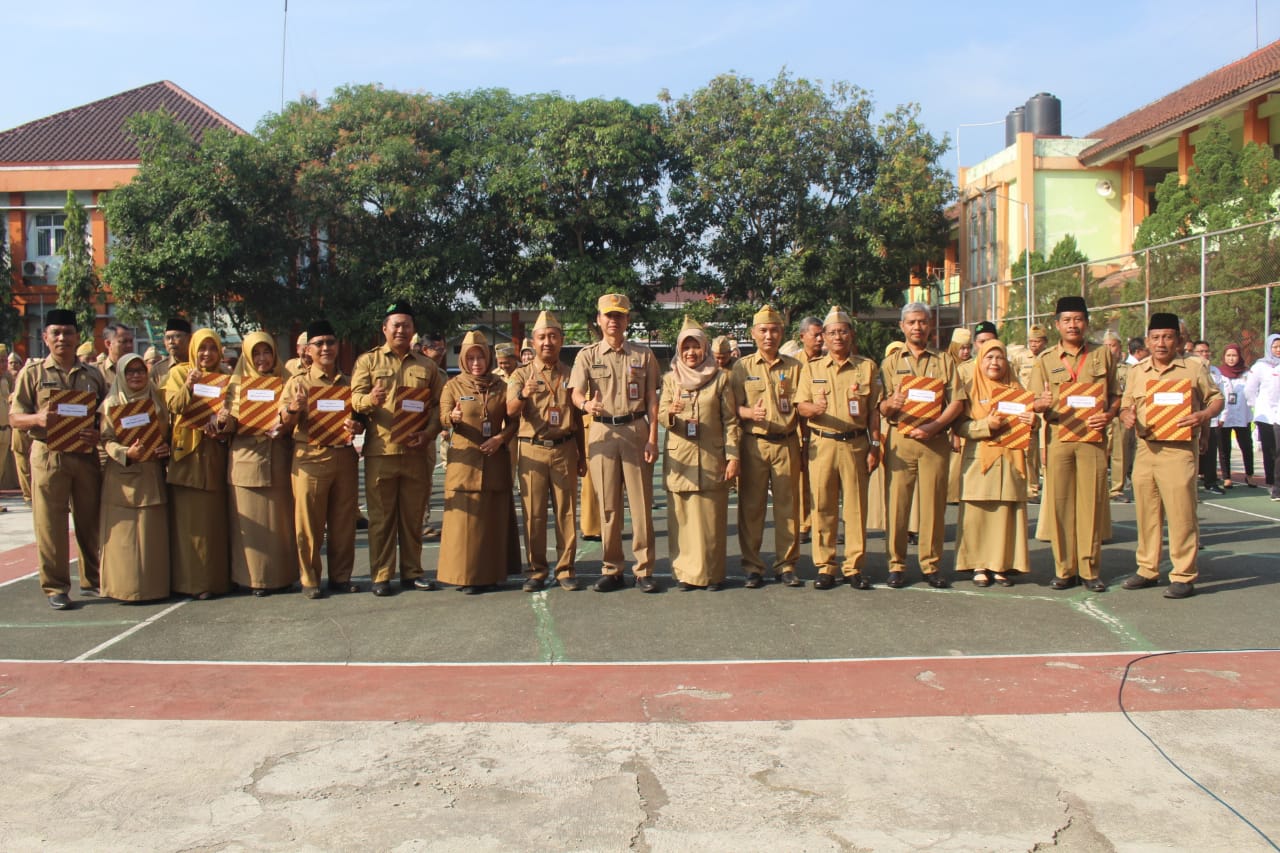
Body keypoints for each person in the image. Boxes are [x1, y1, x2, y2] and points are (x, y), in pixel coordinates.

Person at [1119, 314, 1223, 598]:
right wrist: (1126, 414)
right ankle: (1147, 569)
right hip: (1145, 450)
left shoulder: (1193, 368)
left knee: (1182, 514)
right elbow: (1126, 404)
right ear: (1148, 341)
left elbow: (1216, 398)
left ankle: (1183, 574)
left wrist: (1203, 416)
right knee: (1146, 514)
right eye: (1155, 338)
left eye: (1167, 337)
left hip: (1178, 451)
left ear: (1178, 340)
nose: (1161, 343)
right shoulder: (1137, 371)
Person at [10, 309, 107, 609]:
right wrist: (38, 418)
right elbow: (14, 417)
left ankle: (94, 579)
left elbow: (105, 414)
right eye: (56, 333)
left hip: (84, 455)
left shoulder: (92, 375)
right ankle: (56, 587)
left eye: (68, 332)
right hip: (48, 454)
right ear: (45, 337)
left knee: (90, 521)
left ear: (78, 338)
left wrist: (98, 433)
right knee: (50, 525)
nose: (62, 338)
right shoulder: (34, 373)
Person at [570, 293, 661, 593]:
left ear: (627, 320)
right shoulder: (587, 355)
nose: (613, 321)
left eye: (619, 315)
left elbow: (651, 399)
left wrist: (652, 438)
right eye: (608, 315)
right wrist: (586, 405)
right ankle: (612, 568)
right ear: (599, 319)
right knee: (608, 507)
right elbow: (575, 393)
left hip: (635, 429)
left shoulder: (643, 355)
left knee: (641, 506)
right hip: (602, 433)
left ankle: (644, 569)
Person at [352, 302, 445, 596]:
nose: (401, 330)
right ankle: (381, 575)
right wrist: (371, 400)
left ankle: (412, 572)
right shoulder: (368, 362)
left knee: (412, 517)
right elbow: (353, 399)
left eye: (406, 325)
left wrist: (429, 433)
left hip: (416, 451)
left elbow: (437, 407)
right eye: (395, 325)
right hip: (382, 450)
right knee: (381, 519)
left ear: (413, 330)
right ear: (384, 329)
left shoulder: (427, 366)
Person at [1029, 296, 1120, 592]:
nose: (1073, 325)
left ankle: (1090, 568)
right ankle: (1065, 568)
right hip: (1059, 438)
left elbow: (1116, 395)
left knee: (1091, 503)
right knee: (1060, 504)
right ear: (1057, 325)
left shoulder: (1102, 355)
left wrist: (1108, 415)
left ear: (1087, 322)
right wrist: (1039, 404)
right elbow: (1032, 402)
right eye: (1066, 320)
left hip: (1092, 440)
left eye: (1078, 319)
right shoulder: (1045, 360)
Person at [796, 306, 883, 589]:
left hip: (855, 444)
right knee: (822, 506)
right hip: (822, 444)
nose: (837, 337)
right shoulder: (811, 368)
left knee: (856, 509)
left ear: (851, 334)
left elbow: (874, 411)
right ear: (823, 336)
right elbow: (801, 405)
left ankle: (853, 566)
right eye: (831, 332)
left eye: (842, 331)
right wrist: (814, 408)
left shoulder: (866, 367)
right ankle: (825, 565)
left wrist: (875, 444)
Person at [878, 302, 964, 588]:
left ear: (930, 325)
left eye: (922, 322)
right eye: (911, 322)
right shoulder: (890, 362)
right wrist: (892, 404)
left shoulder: (944, 361)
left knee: (934, 505)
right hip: (900, 441)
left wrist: (936, 426)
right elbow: (881, 407)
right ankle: (897, 564)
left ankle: (931, 565)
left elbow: (957, 402)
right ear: (902, 326)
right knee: (898, 506)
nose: (917, 327)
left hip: (934, 441)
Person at [278, 320, 364, 599]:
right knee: (309, 524)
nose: (326, 348)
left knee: (343, 522)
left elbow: (361, 419)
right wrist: (294, 408)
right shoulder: (298, 382)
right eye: (319, 343)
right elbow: (284, 423)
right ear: (307, 350)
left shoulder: (349, 382)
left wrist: (357, 426)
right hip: (310, 457)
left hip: (344, 457)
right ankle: (310, 579)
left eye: (330, 342)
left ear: (338, 346)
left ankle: (341, 577)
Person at [660, 318, 740, 590]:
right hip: (680, 459)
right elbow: (660, 414)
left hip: (711, 457)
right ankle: (685, 574)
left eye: (696, 347)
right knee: (681, 519)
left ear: (705, 349)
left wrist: (733, 456)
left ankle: (712, 575)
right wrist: (670, 413)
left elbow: (730, 421)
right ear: (679, 351)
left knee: (710, 520)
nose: (691, 353)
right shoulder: (670, 379)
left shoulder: (720, 379)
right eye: (686, 348)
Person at [507, 311, 585, 592]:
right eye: (542, 337)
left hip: (564, 448)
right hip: (532, 450)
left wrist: (583, 457)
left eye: (553, 336)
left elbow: (578, 420)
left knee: (566, 512)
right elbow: (510, 411)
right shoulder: (520, 374)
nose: (547, 342)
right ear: (533, 341)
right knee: (534, 514)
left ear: (561, 340)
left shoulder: (570, 373)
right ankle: (536, 569)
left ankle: (566, 569)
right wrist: (523, 394)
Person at [438, 331, 520, 593]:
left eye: (481, 357)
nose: (476, 363)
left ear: (488, 358)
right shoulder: (453, 386)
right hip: (465, 463)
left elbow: (514, 421)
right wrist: (453, 418)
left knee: (493, 520)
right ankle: (465, 576)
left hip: (494, 459)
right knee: (465, 525)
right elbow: (442, 417)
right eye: (471, 358)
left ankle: (493, 574)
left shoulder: (501, 386)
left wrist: (500, 438)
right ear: (463, 359)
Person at [731, 305, 804, 588]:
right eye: (763, 330)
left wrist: (806, 445)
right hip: (754, 444)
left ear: (781, 332)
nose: (769, 335)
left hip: (787, 443)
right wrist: (749, 414)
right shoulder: (742, 367)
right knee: (752, 507)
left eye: (774, 330)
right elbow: (731, 408)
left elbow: (802, 406)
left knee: (788, 508)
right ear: (753, 333)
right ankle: (752, 566)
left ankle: (787, 565)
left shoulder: (796, 367)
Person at [954, 339, 1037, 586]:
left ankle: (1000, 564)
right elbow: (959, 426)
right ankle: (978, 564)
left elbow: (1031, 424)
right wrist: (984, 426)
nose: (994, 363)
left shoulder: (1017, 389)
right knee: (978, 515)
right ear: (980, 361)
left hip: (1011, 461)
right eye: (989, 357)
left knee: (1004, 514)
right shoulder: (970, 389)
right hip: (980, 460)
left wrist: (1033, 421)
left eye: (999, 357)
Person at [225, 331, 298, 596]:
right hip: (246, 462)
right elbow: (229, 421)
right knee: (252, 530)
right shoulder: (235, 385)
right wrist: (225, 420)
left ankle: (285, 576)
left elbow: (297, 415)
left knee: (281, 525)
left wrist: (288, 417)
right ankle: (255, 580)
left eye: (266, 352)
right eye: (255, 353)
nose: (262, 358)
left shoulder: (287, 380)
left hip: (279, 460)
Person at [164, 328, 232, 600]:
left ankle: (219, 581)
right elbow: (174, 406)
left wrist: (225, 422)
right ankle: (192, 583)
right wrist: (189, 385)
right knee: (189, 527)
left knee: (215, 524)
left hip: (215, 455)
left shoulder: (227, 378)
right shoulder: (179, 373)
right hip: (187, 457)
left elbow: (234, 416)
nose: (207, 354)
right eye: (201, 348)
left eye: (212, 348)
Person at [99, 353, 171, 602]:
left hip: (152, 474)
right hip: (122, 476)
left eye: (140, 370)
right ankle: (123, 589)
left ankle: (154, 588)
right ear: (120, 374)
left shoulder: (157, 398)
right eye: (130, 372)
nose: (136, 375)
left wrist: (166, 448)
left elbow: (170, 432)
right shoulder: (110, 404)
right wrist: (125, 453)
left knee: (151, 535)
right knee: (124, 539)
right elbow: (105, 440)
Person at [795, 316, 825, 543]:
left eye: (822, 334)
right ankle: (803, 523)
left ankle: (822, 524)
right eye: (816, 335)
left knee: (825, 481)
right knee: (801, 478)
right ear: (802, 336)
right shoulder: (794, 364)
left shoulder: (829, 361)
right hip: (798, 428)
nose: (821, 339)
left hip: (824, 429)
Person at [1191, 340, 1227, 495]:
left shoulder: (1215, 372)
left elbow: (1220, 395)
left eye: (1206, 351)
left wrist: (1221, 415)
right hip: (1192, 419)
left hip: (1209, 417)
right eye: (1200, 352)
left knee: (1210, 450)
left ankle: (1210, 482)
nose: (1204, 354)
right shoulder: (1190, 370)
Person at [1245, 333, 1280, 492]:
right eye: (1275, 346)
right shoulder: (1259, 366)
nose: (1278, 350)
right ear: (1269, 348)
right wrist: (1256, 406)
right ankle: (1272, 482)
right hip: (1264, 414)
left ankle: (1278, 483)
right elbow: (1250, 389)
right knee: (1269, 449)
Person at [1217, 344, 1255, 487]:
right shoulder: (1218, 373)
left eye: (1234, 356)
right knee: (1224, 448)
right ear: (1224, 357)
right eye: (1228, 356)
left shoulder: (1247, 373)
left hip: (1242, 415)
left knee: (1246, 447)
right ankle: (1227, 477)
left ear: (1239, 357)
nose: (1231, 359)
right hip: (1224, 416)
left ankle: (1249, 475)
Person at [1103, 331, 1132, 502]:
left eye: (1112, 345)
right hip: (1100, 414)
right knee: (1099, 452)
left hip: (1119, 415)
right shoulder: (1096, 367)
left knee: (1120, 452)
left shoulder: (1128, 369)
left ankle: (1116, 489)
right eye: (1105, 345)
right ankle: (1098, 487)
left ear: (1119, 347)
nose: (1109, 349)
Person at [149, 317, 192, 387]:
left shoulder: (199, 365)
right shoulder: (159, 370)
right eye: (167, 338)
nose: (171, 342)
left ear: (189, 338)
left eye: (177, 336)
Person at [97, 323, 135, 387]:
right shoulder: (97, 372)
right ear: (108, 344)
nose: (129, 345)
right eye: (124, 341)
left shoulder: (139, 369)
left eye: (131, 341)